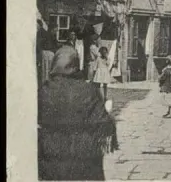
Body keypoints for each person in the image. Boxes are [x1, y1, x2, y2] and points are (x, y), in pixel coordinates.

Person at [38, 46, 118, 180]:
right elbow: (104, 125)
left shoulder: (44, 90)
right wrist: (109, 113)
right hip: (84, 162)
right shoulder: (89, 90)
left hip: (52, 162)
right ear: (76, 65)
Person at [37, 21, 58, 86]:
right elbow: (40, 44)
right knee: (46, 68)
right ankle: (45, 82)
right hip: (46, 52)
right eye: (56, 29)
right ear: (52, 29)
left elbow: (55, 44)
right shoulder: (46, 34)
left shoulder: (51, 35)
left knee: (48, 68)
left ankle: (47, 81)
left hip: (50, 53)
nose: (56, 31)